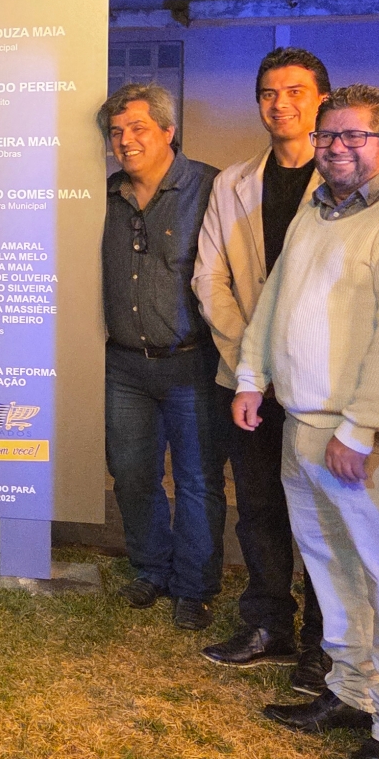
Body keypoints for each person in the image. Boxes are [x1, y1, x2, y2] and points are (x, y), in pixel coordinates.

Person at [234, 85, 379, 759]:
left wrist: (361, 426)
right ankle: (352, 691)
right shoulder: (316, 209)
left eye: (354, 137)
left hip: (364, 441)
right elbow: (275, 297)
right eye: (327, 137)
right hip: (302, 426)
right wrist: (251, 375)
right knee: (333, 571)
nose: (336, 148)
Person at [192, 47, 331, 688]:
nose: (281, 104)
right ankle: (269, 622)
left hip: (321, 379)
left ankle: (325, 642)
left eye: (296, 91)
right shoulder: (232, 183)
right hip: (247, 378)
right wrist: (250, 362)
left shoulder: (344, 181)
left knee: (324, 515)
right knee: (257, 506)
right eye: (270, 93)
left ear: (321, 99)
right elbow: (209, 278)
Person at [100, 82, 228, 631]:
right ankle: (151, 568)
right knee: (132, 475)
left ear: (168, 131)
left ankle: (194, 587)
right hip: (125, 365)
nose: (125, 141)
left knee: (198, 481)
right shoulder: (104, 196)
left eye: (138, 128)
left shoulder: (211, 188)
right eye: (116, 132)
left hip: (192, 363)